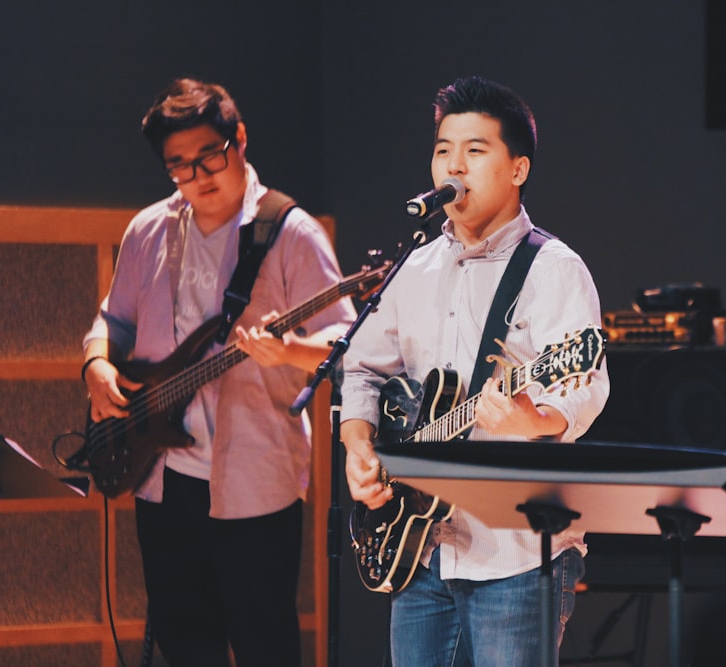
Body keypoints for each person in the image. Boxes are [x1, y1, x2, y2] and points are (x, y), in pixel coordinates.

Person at [81, 78, 357, 666]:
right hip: (162, 474)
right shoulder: (148, 230)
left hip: (255, 479)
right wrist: (96, 363)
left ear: (240, 138)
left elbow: (344, 340)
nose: (198, 175)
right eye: (178, 166)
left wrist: (288, 352)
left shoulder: (290, 232)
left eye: (211, 155)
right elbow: (114, 319)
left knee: (265, 645)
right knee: (186, 645)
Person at [340, 75, 610, 667]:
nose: (452, 166)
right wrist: (358, 445)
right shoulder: (413, 267)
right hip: (420, 548)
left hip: (517, 553)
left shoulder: (554, 269)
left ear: (518, 169)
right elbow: (360, 370)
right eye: (443, 150)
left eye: (474, 150)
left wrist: (533, 421)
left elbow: (583, 386)